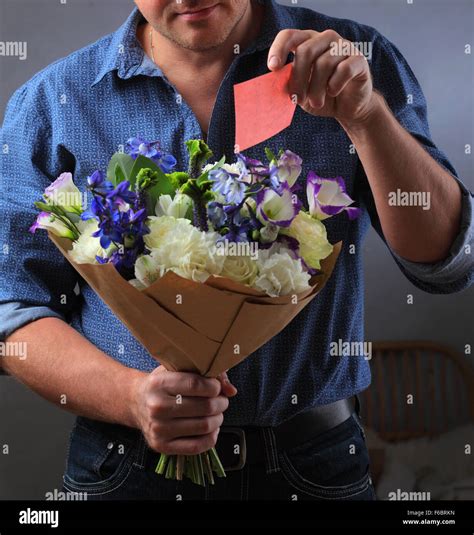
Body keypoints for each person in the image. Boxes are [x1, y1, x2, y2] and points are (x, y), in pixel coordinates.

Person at [0, 0, 472, 501]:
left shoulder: (352, 61)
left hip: (315, 464)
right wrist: (131, 398)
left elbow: (445, 262)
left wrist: (367, 116)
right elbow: (11, 309)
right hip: (122, 469)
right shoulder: (55, 101)